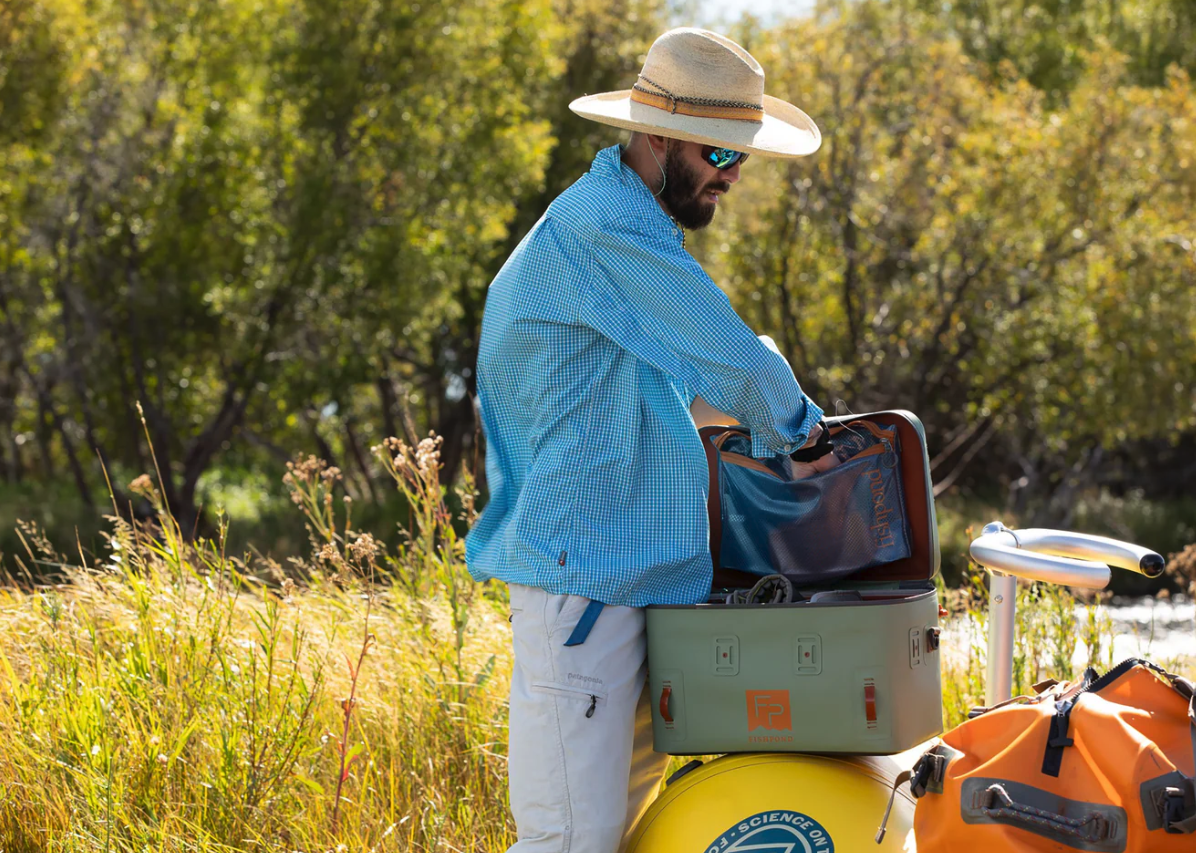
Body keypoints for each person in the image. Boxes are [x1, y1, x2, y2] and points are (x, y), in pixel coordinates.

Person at [464, 27, 834, 853]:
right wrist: (803, 435)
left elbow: (668, 393)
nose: (732, 178)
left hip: (624, 581)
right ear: (658, 136)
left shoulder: (625, 227)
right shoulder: (604, 227)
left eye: (742, 159)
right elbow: (724, 348)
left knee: (627, 837)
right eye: (719, 154)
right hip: (584, 589)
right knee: (569, 843)